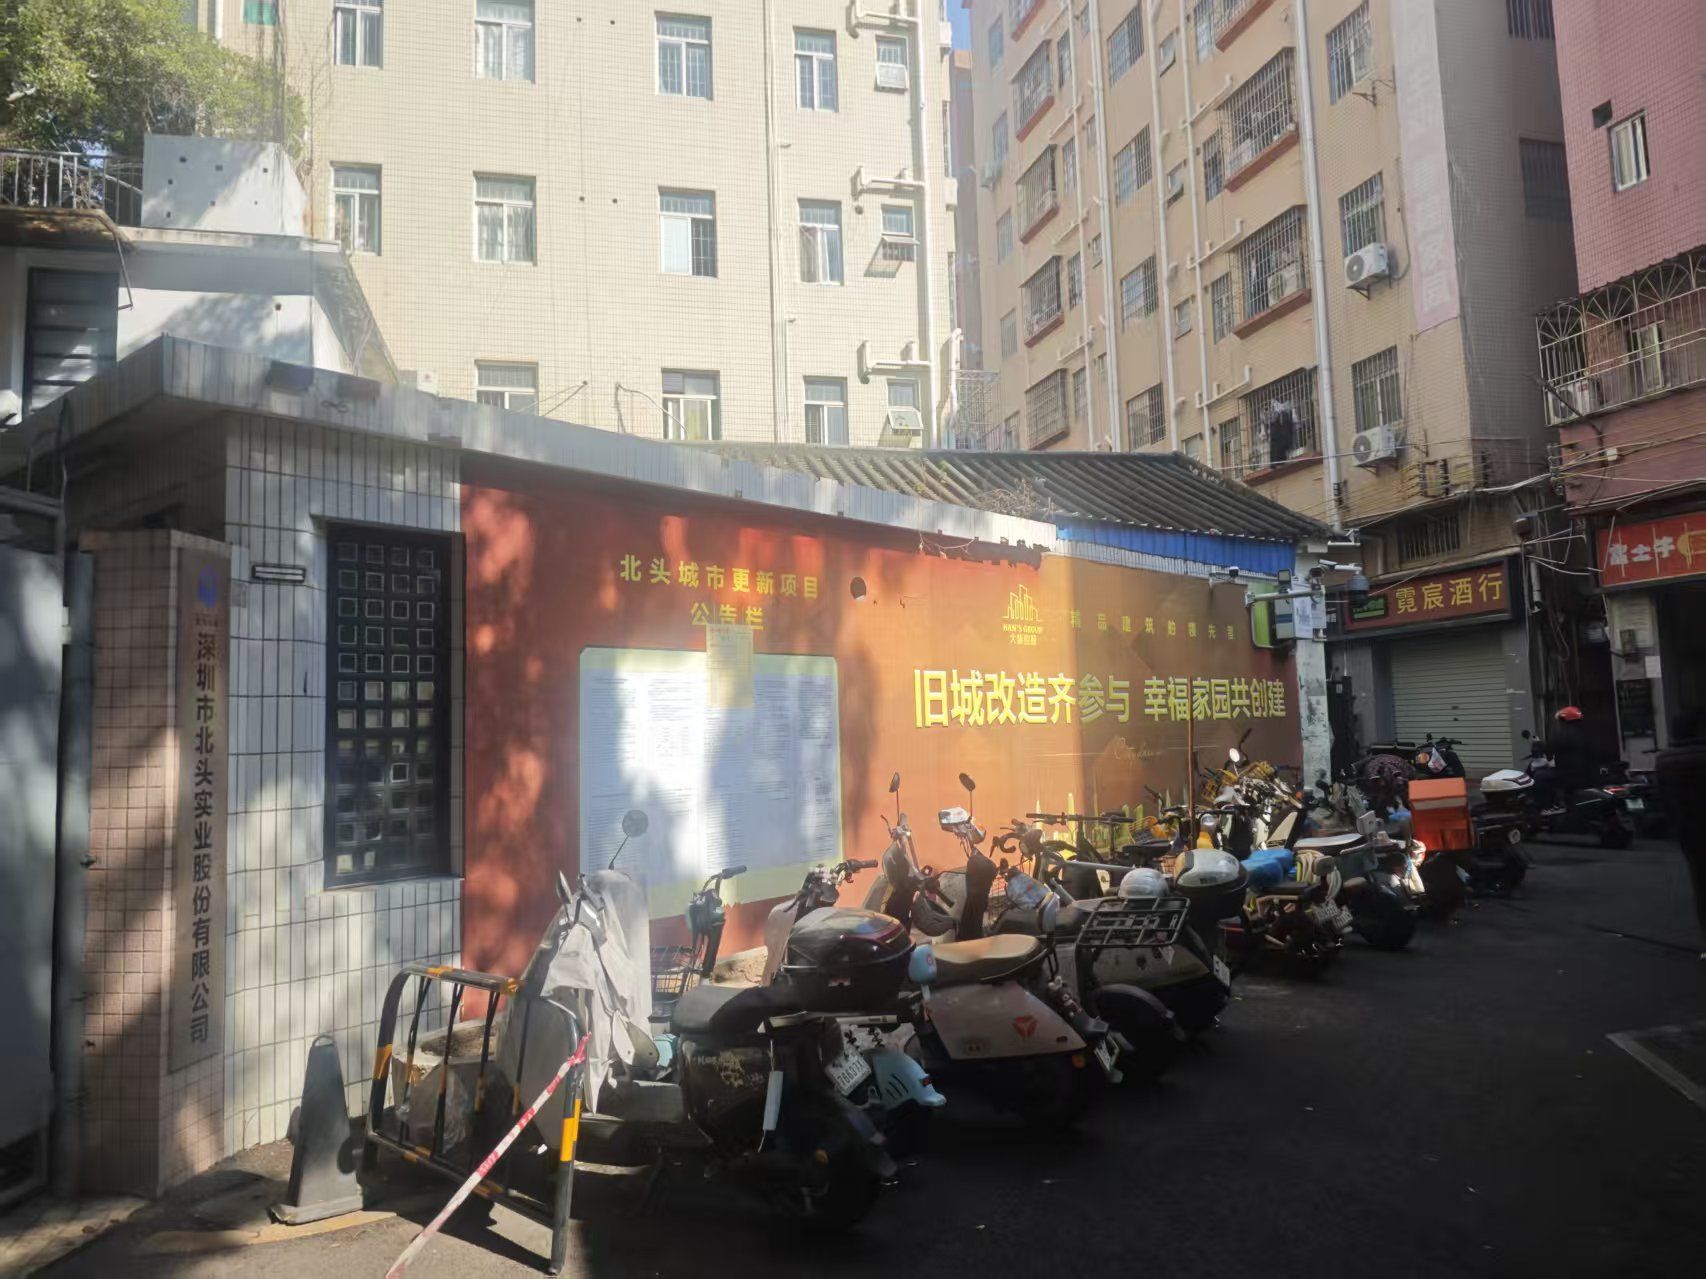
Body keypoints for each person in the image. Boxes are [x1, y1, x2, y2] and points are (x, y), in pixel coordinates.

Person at [1545, 706, 1593, 814]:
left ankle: (1552, 806)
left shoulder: (1560, 734)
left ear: (1563, 720)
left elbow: (1549, 749)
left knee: (1541, 778)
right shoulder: (1587, 733)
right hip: (1587, 774)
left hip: (1567, 775)